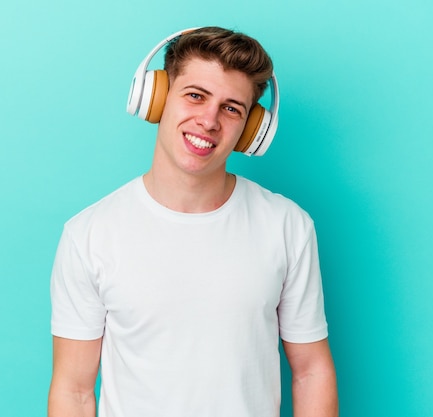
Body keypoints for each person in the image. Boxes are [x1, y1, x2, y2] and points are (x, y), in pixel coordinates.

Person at [48, 26, 338, 417]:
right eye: (196, 96)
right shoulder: (89, 234)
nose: (209, 120)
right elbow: (74, 390)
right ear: (157, 99)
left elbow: (311, 371)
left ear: (251, 130)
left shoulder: (288, 226)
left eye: (231, 108)